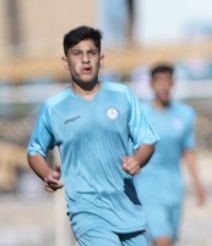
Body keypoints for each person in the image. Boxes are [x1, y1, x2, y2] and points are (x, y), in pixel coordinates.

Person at [27, 26, 158, 246]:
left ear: (101, 59)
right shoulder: (54, 107)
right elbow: (34, 151)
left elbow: (147, 140)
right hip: (87, 211)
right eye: (77, 53)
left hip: (127, 208)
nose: (85, 59)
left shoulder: (122, 96)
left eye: (92, 53)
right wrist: (46, 173)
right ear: (66, 61)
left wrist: (138, 160)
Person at [134, 64, 206, 246]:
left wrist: (198, 184)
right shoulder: (140, 113)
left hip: (174, 188)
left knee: (168, 240)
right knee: (163, 240)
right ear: (151, 84)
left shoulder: (185, 114)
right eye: (159, 82)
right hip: (147, 188)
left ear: (173, 83)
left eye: (168, 81)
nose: (164, 86)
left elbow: (188, 150)